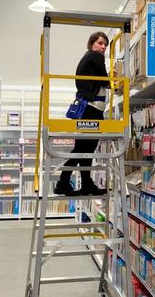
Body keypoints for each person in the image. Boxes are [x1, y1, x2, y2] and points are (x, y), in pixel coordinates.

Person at [54, 31, 110, 196]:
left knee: (86, 150)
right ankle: (63, 183)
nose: (103, 47)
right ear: (92, 43)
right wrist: (113, 79)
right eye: (100, 43)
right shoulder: (95, 56)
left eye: (105, 44)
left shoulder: (89, 57)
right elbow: (106, 81)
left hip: (90, 109)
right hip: (91, 109)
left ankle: (86, 183)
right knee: (82, 149)